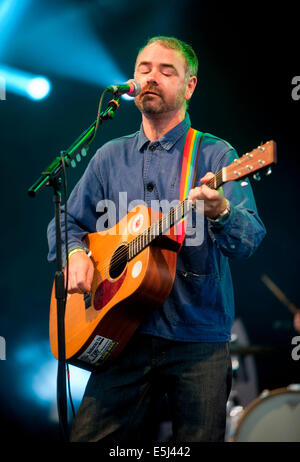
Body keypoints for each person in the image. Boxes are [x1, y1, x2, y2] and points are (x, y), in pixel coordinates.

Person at [47, 36, 266, 442]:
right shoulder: (109, 157)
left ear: (189, 86)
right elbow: (67, 221)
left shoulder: (217, 155)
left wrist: (221, 212)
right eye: (144, 68)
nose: (151, 77)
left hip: (198, 339)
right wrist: (75, 252)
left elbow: (249, 239)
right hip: (120, 335)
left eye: (167, 71)